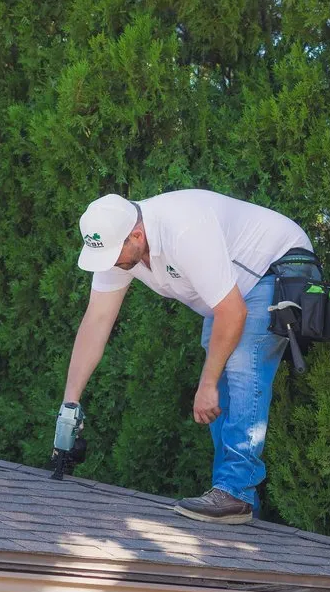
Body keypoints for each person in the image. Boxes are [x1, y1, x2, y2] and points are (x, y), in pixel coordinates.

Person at [65, 189, 314, 524]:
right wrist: (69, 406)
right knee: (221, 374)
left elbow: (233, 313)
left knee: (241, 363)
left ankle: (235, 493)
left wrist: (206, 384)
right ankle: (236, 496)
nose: (109, 263)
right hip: (236, 289)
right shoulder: (116, 244)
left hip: (279, 265)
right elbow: (96, 321)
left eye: (113, 255)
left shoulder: (183, 230)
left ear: (137, 235)